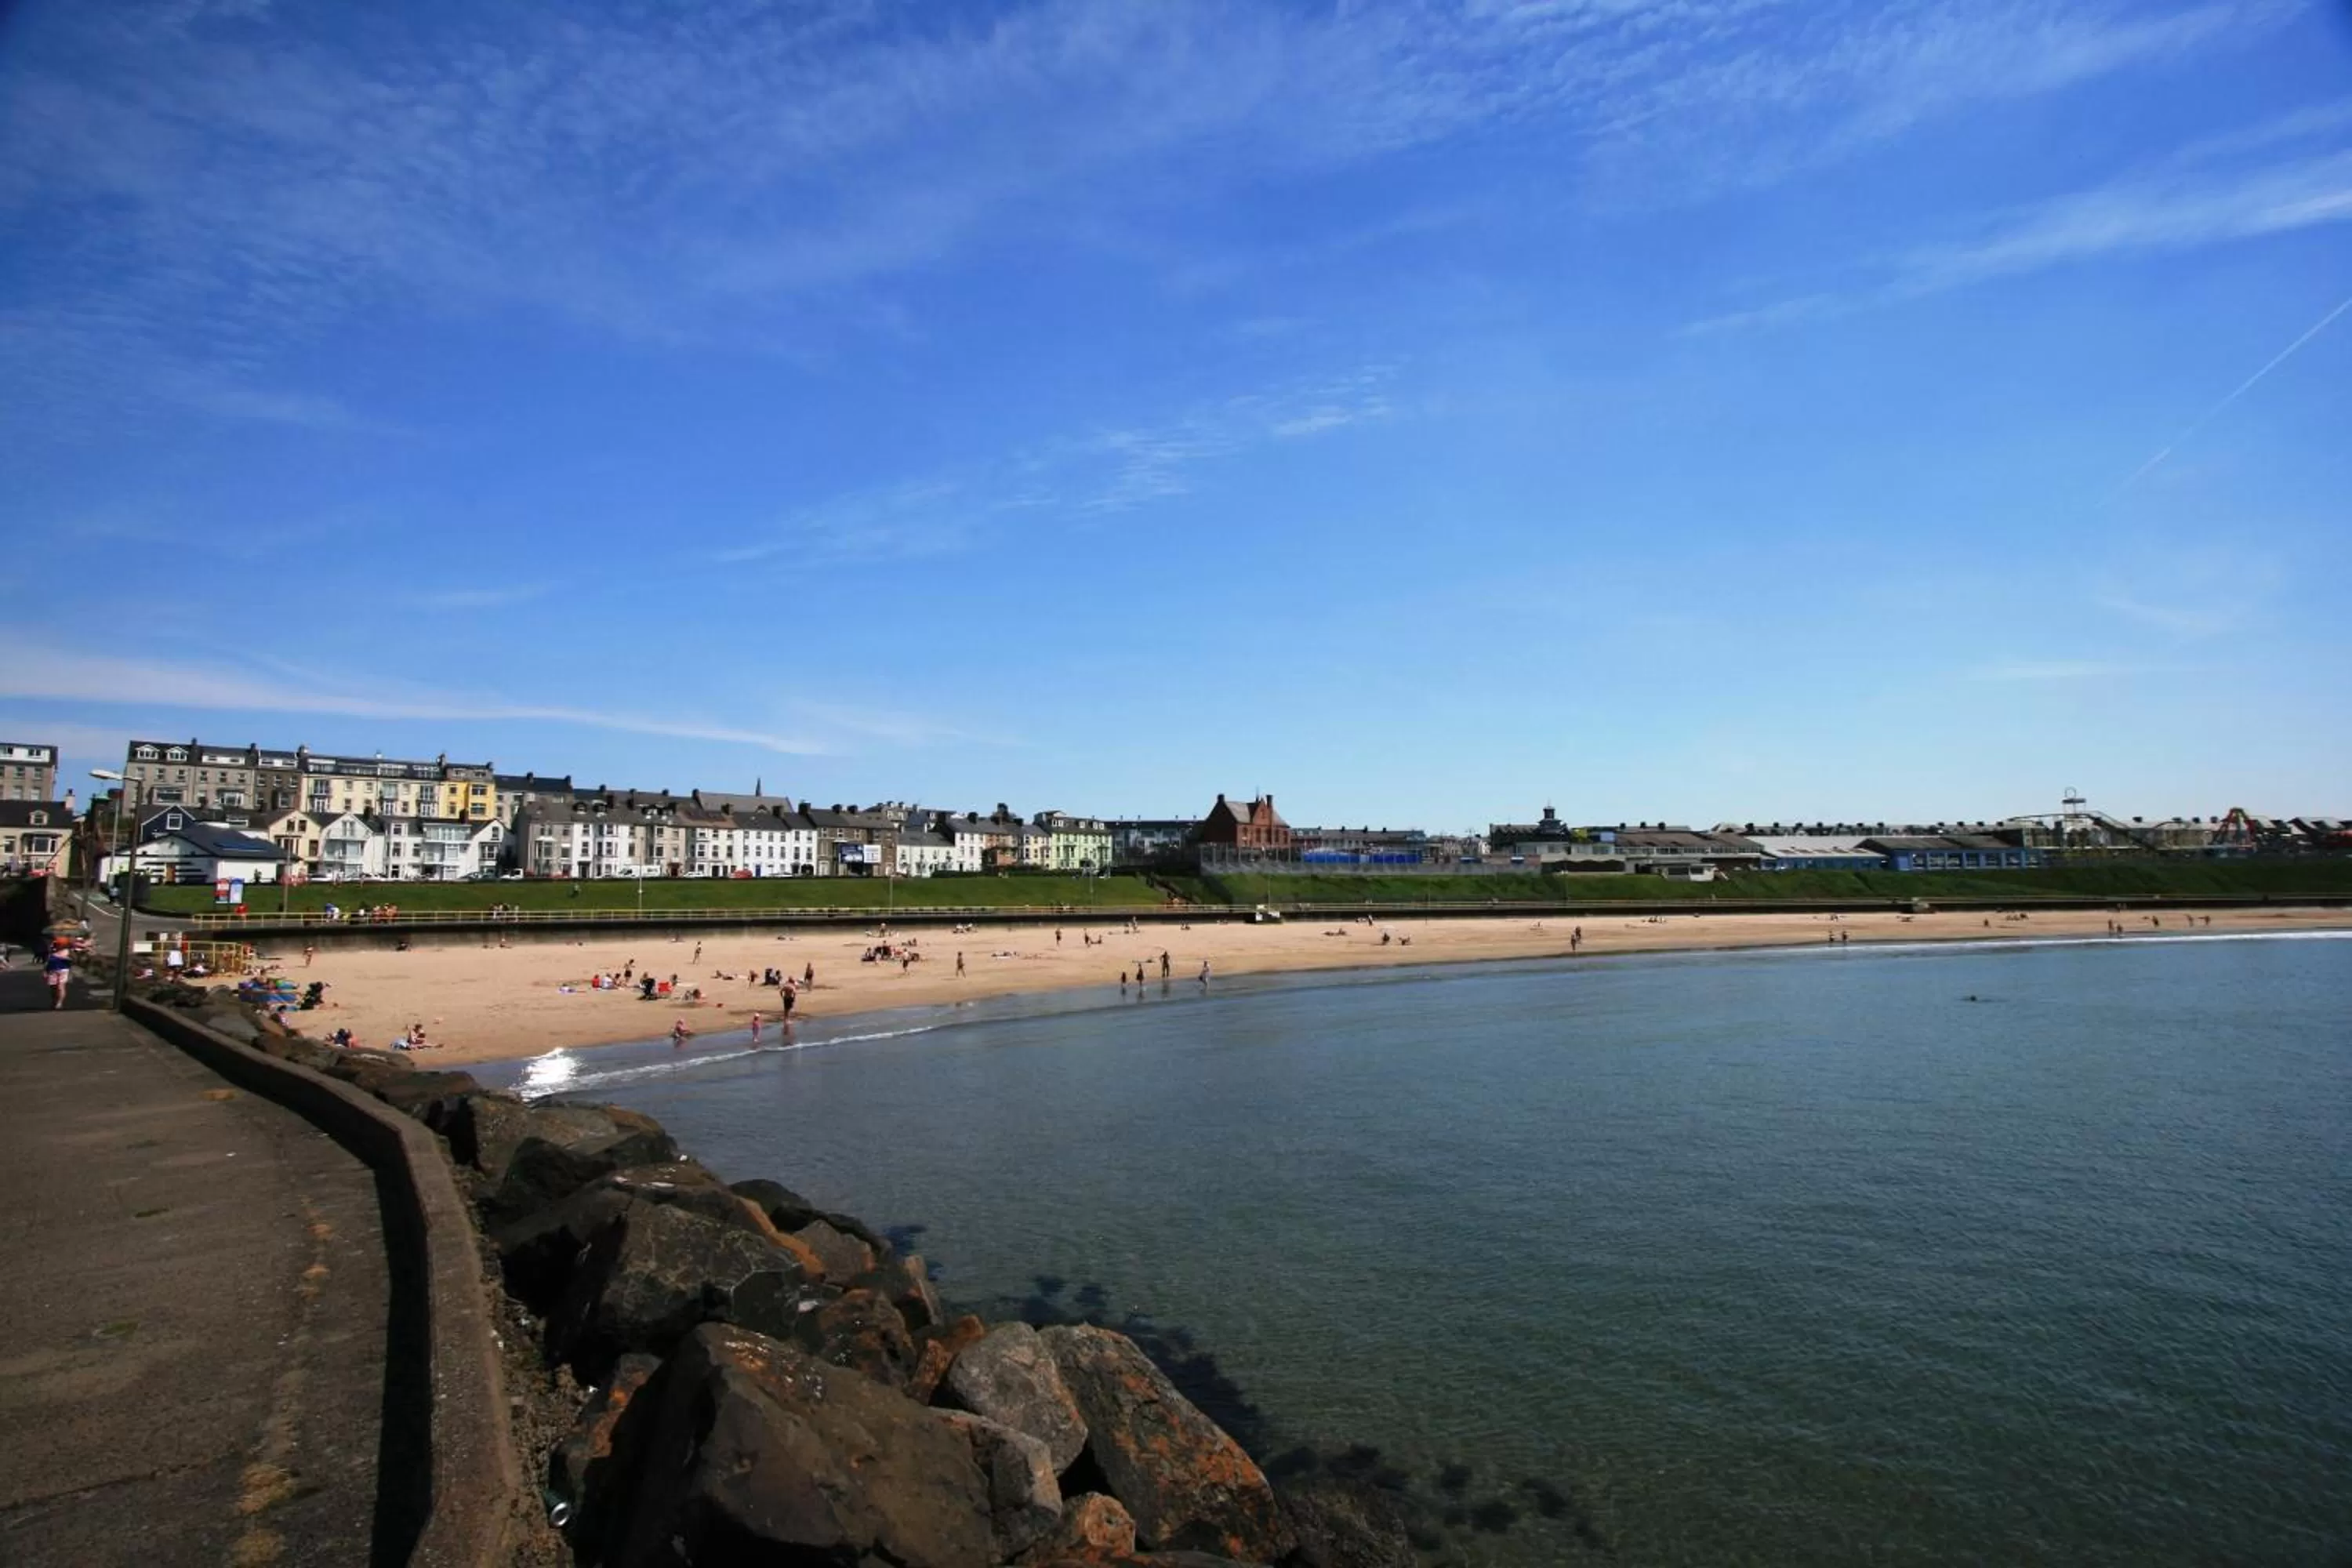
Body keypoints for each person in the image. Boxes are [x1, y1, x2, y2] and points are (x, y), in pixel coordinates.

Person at [44, 941, 71, 1010]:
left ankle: (59, 1003)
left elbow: (73, 960)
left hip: (63, 970)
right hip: (52, 970)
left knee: (60, 987)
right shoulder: (52, 950)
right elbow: (47, 961)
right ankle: (54, 1002)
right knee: (53, 987)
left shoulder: (68, 951)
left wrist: (65, 958)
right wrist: (45, 971)